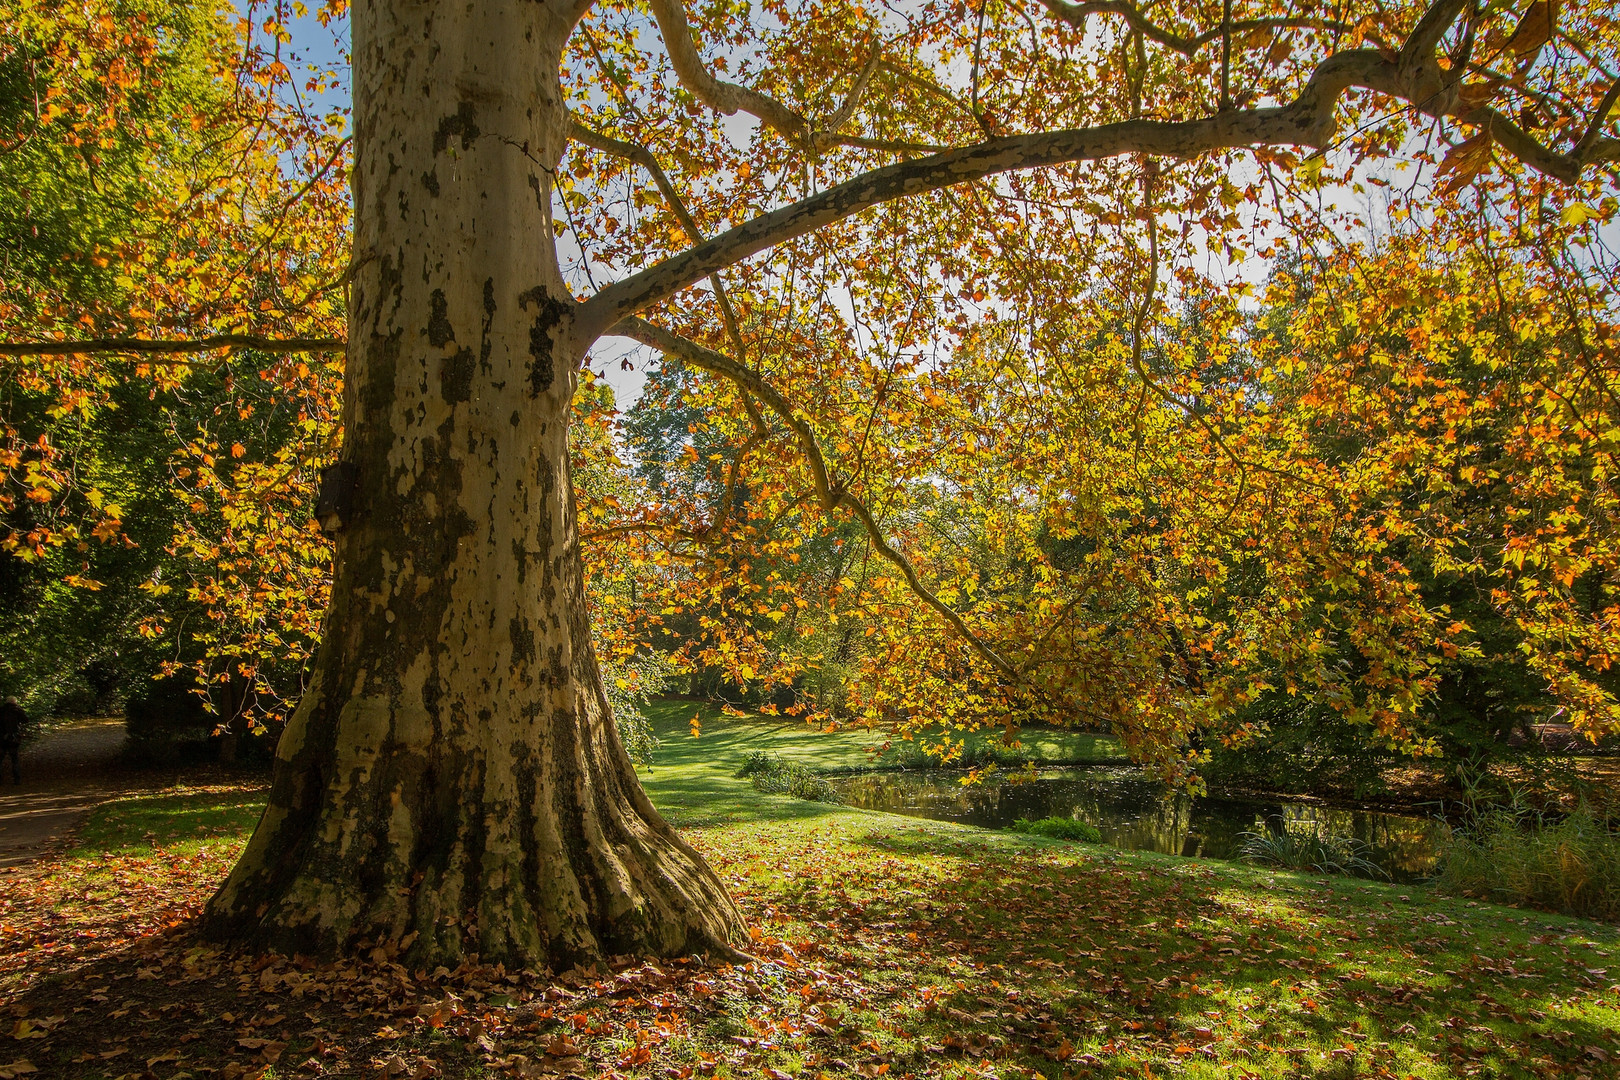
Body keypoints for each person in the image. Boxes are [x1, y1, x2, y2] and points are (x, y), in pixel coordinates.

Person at [0, 696, 24, 785]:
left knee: (0, 758)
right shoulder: (17, 710)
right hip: (13, 738)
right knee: (14, 758)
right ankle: (17, 779)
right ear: (15, 702)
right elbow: (25, 720)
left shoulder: (1, 710)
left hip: (1, 739)